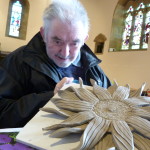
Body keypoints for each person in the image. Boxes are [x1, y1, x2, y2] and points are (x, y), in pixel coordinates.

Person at [0, 0, 111, 128]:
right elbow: (2, 113)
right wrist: (51, 98)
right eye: (57, 41)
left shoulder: (94, 70)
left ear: (84, 40)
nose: (65, 53)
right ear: (44, 34)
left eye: (74, 43)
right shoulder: (18, 60)